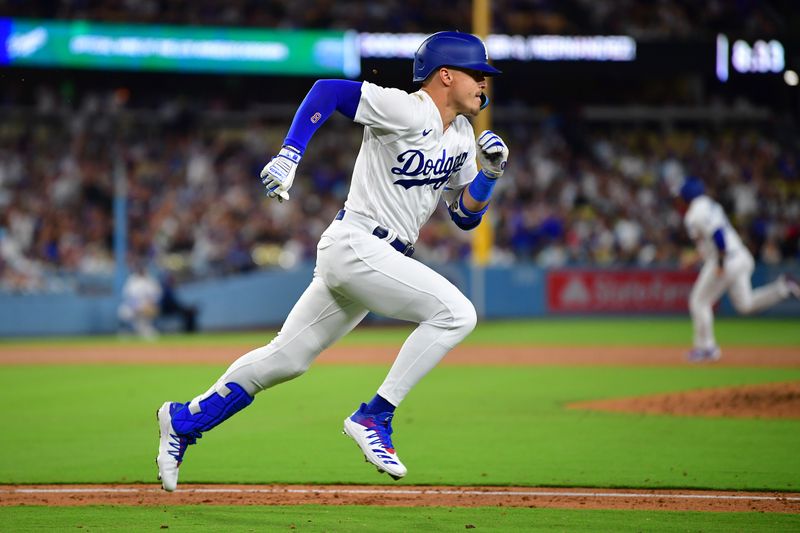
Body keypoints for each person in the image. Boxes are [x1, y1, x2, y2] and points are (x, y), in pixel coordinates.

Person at [155, 31, 510, 491]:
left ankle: (183, 421)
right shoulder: (407, 108)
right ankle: (374, 416)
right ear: (446, 75)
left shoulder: (463, 135)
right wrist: (290, 153)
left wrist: (488, 175)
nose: (484, 83)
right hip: (357, 243)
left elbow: (463, 216)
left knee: (286, 360)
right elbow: (328, 91)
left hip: (374, 257)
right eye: (477, 74)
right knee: (457, 314)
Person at [679, 177, 799, 362]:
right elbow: (712, 240)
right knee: (745, 305)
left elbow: (718, 235)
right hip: (741, 256)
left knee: (699, 301)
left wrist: (719, 263)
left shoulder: (693, 214)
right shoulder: (711, 205)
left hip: (726, 260)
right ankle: (783, 288)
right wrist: (695, 258)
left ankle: (706, 348)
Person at [118, 263, 162, 339]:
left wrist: (150, 305)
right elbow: (128, 297)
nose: (141, 270)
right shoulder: (132, 280)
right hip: (132, 308)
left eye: (143, 268)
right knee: (124, 312)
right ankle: (126, 331)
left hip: (147, 307)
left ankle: (144, 330)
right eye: (140, 268)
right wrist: (138, 307)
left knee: (149, 332)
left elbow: (157, 295)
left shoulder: (151, 280)